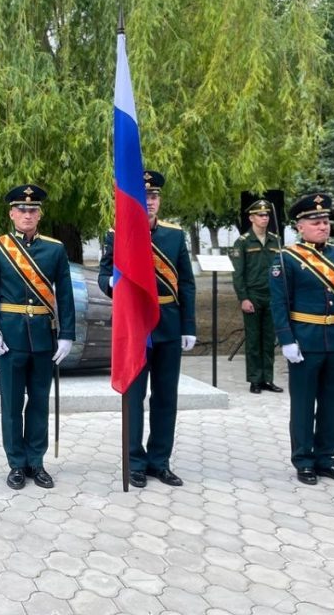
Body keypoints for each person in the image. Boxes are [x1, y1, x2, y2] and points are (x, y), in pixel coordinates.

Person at [98, 171, 196, 488]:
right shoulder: (116, 235)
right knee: (134, 396)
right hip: (134, 326)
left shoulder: (174, 236)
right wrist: (114, 282)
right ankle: (134, 462)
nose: (149, 202)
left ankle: (159, 462)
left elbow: (188, 284)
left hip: (168, 323)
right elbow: (103, 276)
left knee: (166, 398)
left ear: (159, 201)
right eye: (143, 196)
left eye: (153, 197)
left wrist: (189, 326)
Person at [0, 184, 75, 490]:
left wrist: (67, 335)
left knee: (38, 403)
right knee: (11, 404)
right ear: (11, 214)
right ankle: (16, 464)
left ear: (40, 215)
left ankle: (36, 461)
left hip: (44, 338)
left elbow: (67, 295)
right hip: (11, 339)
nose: (27, 215)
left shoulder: (55, 249)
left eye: (32, 210)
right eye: (21, 210)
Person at [270, 192, 334, 486]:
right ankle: (303, 460)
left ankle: (326, 458)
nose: (322, 226)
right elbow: (279, 303)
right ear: (300, 226)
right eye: (315, 222)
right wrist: (286, 339)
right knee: (303, 403)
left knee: (331, 402)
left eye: (325, 221)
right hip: (305, 342)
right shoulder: (286, 258)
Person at [230, 199, 283, 394]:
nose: (265, 218)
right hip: (252, 295)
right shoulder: (243, 242)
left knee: (269, 339)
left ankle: (267, 379)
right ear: (251, 218)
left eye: (267, 215)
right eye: (260, 215)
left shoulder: (275, 240)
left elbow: (281, 269)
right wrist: (243, 297)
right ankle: (254, 379)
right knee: (254, 340)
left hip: (271, 296)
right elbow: (238, 273)